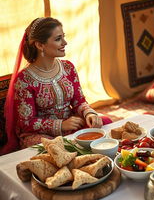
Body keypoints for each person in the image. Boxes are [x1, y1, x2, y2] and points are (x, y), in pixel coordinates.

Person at [1, 17, 112, 155]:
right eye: (58, 39)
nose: (65, 42)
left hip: (72, 125)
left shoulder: (68, 67)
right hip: (41, 135)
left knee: (105, 123)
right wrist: (60, 125)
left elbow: (79, 101)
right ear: (40, 45)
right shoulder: (24, 80)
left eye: (63, 37)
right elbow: (27, 122)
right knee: (56, 149)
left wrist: (88, 113)